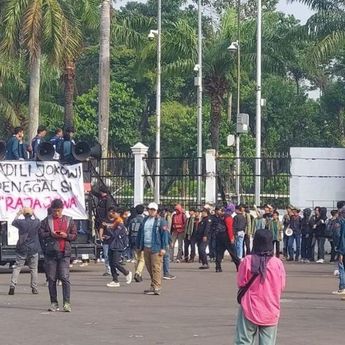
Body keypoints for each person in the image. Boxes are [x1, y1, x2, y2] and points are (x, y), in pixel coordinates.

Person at [234, 229, 286, 345]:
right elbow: (281, 286)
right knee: (268, 342)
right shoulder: (277, 263)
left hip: (250, 306)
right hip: (271, 307)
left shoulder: (247, 260)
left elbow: (241, 282)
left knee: (244, 341)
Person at [39, 199, 77, 312]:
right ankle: (54, 303)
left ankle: (66, 303)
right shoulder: (46, 220)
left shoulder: (69, 220)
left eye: (58, 211)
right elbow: (40, 233)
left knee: (65, 278)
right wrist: (51, 234)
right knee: (51, 279)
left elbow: (74, 235)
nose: (56, 213)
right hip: (51, 253)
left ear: (62, 209)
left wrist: (66, 235)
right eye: (55, 211)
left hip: (64, 253)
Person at [136, 202, 169, 295]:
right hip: (146, 247)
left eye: (153, 210)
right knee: (149, 267)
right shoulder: (145, 220)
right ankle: (153, 285)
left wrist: (163, 248)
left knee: (156, 267)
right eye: (150, 209)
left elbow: (164, 235)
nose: (151, 211)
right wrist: (139, 246)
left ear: (156, 211)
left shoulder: (161, 221)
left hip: (156, 247)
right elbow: (140, 233)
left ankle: (157, 287)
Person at [8, 207, 41, 295]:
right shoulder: (35, 222)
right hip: (33, 248)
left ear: (23, 214)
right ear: (31, 214)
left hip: (22, 247)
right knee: (33, 269)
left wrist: (18, 214)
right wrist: (34, 213)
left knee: (17, 267)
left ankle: (12, 285)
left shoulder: (21, 222)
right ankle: (34, 288)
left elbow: (13, 222)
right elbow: (39, 220)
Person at [105, 208, 132, 288]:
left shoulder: (120, 223)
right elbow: (113, 235)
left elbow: (115, 234)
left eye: (114, 213)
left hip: (118, 245)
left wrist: (108, 228)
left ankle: (126, 272)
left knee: (116, 262)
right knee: (111, 263)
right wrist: (107, 236)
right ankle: (115, 280)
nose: (112, 214)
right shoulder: (115, 222)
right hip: (112, 244)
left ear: (118, 214)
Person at [215, 203, 240, 272]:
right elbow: (229, 229)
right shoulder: (228, 217)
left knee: (219, 252)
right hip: (226, 237)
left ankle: (218, 267)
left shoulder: (221, 217)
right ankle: (239, 266)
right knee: (233, 253)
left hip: (219, 236)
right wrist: (231, 238)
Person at [128, 204, 146, 282]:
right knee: (142, 258)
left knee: (136, 258)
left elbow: (129, 231)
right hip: (141, 240)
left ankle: (138, 274)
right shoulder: (144, 220)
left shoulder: (132, 220)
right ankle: (138, 273)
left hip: (133, 239)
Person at [98, 207, 118, 276]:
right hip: (106, 240)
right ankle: (108, 270)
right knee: (106, 255)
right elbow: (101, 228)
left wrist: (107, 225)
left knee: (114, 255)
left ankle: (115, 269)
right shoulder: (104, 220)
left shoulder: (116, 220)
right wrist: (100, 236)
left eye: (113, 212)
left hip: (114, 240)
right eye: (110, 211)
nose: (111, 213)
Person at [333, 206, 345, 296]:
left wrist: (339, 249)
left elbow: (338, 236)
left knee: (341, 268)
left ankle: (342, 288)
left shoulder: (340, 222)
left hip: (343, 248)